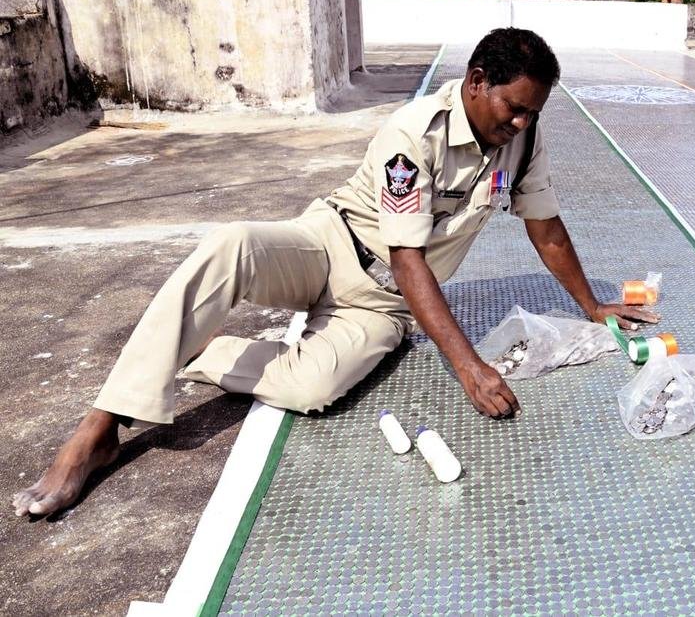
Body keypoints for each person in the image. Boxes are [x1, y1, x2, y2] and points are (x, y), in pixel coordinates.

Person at [13, 28, 656, 518]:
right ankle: (98, 428)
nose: (521, 123)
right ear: (476, 80)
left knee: (310, 389)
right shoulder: (415, 134)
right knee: (229, 244)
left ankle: (203, 350)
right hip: (328, 245)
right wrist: (468, 366)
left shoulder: (523, 141)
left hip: (382, 306)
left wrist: (593, 306)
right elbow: (407, 254)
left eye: (533, 112)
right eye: (514, 108)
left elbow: (545, 227)